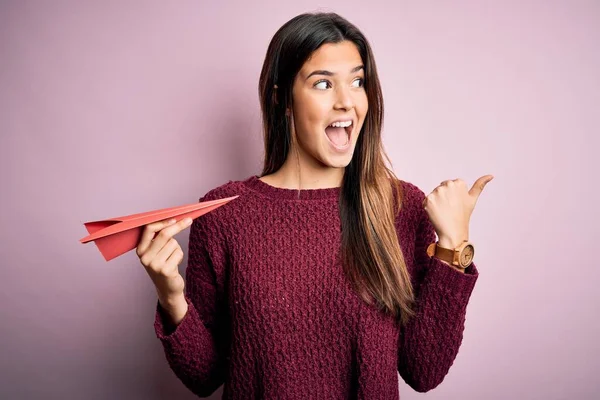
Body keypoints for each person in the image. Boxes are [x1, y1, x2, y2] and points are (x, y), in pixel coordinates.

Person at [136, 11, 493, 399]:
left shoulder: (401, 207)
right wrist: (171, 294)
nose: (345, 102)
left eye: (358, 82)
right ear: (282, 99)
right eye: (323, 83)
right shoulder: (225, 216)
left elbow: (424, 371)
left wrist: (453, 245)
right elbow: (205, 377)